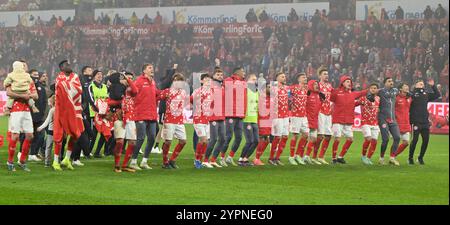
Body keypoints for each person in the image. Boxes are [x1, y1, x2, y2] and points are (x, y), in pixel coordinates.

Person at [5, 61, 38, 172]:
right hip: (15, 109)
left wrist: (26, 96)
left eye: (25, 66)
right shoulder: (12, 78)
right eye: (23, 65)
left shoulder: (28, 80)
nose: (25, 67)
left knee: (29, 135)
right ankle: (10, 162)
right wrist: (24, 96)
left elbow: (35, 95)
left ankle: (22, 161)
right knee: (15, 136)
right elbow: (8, 93)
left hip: (26, 110)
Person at [52, 60, 84, 171]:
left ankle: (67, 158)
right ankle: (55, 161)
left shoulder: (75, 76)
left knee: (76, 134)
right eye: (66, 65)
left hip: (75, 109)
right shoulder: (59, 78)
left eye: (69, 64)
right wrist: (69, 87)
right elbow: (62, 91)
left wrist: (68, 87)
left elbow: (79, 89)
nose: (69, 66)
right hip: (62, 109)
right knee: (60, 136)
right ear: (61, 68)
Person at [330, 75, 368, 164]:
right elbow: (331, 98)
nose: (349, 83)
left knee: (350, 139)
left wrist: (372, 90)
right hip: (338, 119)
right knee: (337, 139)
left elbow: (362, 93)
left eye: (350, 82)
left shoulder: (352, 94)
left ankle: (340, 157)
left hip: (348, 120)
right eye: (347, 81)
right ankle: (333, 158)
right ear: (342, 83)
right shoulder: (337, 92)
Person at [130, 64, 160, 170]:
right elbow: (132, 91)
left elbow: (156, 94)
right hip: (141, 114)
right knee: (141, 137)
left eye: (152, 68)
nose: (152, 69)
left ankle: (144, 161)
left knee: (152, 137)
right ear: (144, 70)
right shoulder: (139, 81)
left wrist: (164, 94)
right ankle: (133, 161)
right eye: (150, 68)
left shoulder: (153, 82)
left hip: (151, 115)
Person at [159, 73, 189, 169]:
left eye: (179, 81)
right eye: (175, 81)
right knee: (168, 141)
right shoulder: (168, 91)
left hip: (179, 120)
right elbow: (157, 97)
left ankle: (172, 160)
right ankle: (165, 162)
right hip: (169, 120)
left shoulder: (184, 92)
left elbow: (189, 100)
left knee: (183, 141)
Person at [409, 79, 440, 165]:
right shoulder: (412, 94)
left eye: (422, 84)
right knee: (414, 140)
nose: (422, 85)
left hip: (425, 122)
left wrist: (433, 86)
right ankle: (410, 158)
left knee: (426, 140)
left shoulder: (426, 94)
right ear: (416, 85)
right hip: (416, 121)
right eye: (420, 83)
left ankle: (420, 158)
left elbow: (437, 95)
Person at [112, 72, 138, 172]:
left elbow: (135, 91)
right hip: (119, 117)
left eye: (131, 78)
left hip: (131, 118)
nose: (128, 80)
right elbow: (111, 99)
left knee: (132, 142)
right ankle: (117, 165)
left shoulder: (132, 90)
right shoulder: (117, 88)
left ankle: (125, 165)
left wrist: (128, 80)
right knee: (120, 142)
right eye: (127, 78)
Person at [221, 67, 247, 166]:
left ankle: (230, 157)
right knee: (228, 136)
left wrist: (244, 112)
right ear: (237, 72)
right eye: (243, 71)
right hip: (230, 114)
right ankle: (222, 157)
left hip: (240, 114)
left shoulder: (244, 83)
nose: (244, 73)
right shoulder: (228, 81)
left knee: (239, 138)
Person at [204, 67, 226, 168]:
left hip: (221, 116)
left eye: (221, 75)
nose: (220, 76)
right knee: (213, 139)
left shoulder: (222, 87)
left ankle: (213, 160)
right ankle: (205, 160)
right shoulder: (210, 86)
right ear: (213, 76)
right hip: (213, 116)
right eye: (218, 75)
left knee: (222, 139)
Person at [191, 73, 213, 169]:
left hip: (207, 119)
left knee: (206, 142)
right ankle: (197, 160)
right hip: (198, 119)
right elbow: (191, 100)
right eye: (206, 79)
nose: (209, 81)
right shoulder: (197, 91)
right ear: (201, 81)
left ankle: (200, 160)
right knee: (203, 139)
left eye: (209, 80)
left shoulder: (212, 92)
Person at [377, 77, 401, 166]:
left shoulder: (395, 90)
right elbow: (371, 93)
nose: (391, 82)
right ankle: (381, 158)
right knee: (386, 139)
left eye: (392, 81)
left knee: (397, 137)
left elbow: (404, 93)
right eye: (389, 81)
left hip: (392, 119)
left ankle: (392, 158)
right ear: (385, 83)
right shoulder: (380, 91)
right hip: (383, 118)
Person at [288, 73, 309, 165]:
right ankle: (291, 156)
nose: (305, 78)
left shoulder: (307, 88)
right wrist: (290, 102)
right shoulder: (293, 88)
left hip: (304, 115)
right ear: (298, 79)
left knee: (305, 135)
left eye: (305, 77)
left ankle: (298, 155)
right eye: (303, 77)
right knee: (295, 135)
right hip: (295, 115)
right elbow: (288, 95)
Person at [268, 72, 289, 166]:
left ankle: (277, 157)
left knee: (285, 136)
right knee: (278, 137)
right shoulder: (273, 88)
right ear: (277, 78)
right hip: (277, 116)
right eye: (282, 76)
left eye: (285, 76)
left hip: (286, 115)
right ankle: (271, 158)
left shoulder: (286, 88)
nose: (284, 78)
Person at [356, 83, 380, 165]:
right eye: (372, 88)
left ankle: (369, 158)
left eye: (375, 88)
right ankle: (363, 156)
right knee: (368, 139)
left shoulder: (378, 99)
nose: (374, 89)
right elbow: (354, 104)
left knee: (375, 141)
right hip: (365, 122)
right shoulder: (363, 98)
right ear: (369, 89)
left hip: (375, 123)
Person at [303, 80, 324, 166]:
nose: (316, 86)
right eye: (314, 84)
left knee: (314, 139)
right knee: (305, 138)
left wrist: (322, 100)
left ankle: (306, 156)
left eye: (317, 84)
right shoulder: (307, 94)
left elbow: (318, 107)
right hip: (307, 119)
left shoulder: (318, 95)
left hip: (315, 119)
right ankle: (299, 156)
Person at [88, 70, 109, 158]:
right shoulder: (91, 86)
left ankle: (97, 152)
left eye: (101, 74)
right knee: (93, 134)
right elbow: (91, 99)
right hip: (94, 114)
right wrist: (98, 110)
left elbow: (108, 99)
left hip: (104, 114)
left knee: (105, 133)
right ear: (94, 76)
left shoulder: (105, 87)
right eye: (98, 74)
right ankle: (88, 152)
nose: (100, 76)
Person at [240, 73, 259, 166]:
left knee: (256, 141)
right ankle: (241, 159)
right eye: (253, 79)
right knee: (249, 141)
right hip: (246, 119)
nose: (255, 81)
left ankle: (245, 158)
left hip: (254, 119)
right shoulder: (245, 90)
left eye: (256, 79)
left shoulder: (257, 91)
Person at [316, 66, 333, 164]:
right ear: (320, 76)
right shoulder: (317, 85)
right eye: (324, 74)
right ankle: (313, 156)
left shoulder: (330, 86)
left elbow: (333, 98)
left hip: (328, 113)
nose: (327, 76)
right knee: (320, 136)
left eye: (327, 74)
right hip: (320, 112)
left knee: (328, 136)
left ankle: (321, 156)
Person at [392, 83, 412, 161]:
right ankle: (392, 157)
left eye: (407, 86)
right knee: (396, 141)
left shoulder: (410, 98)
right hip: (397, 123)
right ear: (400, 89)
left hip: (406, 123)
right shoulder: (396, 98)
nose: (407, 87)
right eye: (405, 86)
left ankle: (393, 156)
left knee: (406, 143)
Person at [253, 83, 272, 166]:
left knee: (267, 141)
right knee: (263, 139)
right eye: (269, 87)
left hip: (268, 122)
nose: (271, 89)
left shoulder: (271, 98)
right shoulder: (260, 98)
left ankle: (257, 158)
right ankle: (256, 159)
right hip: (261, 121)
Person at [37, 94, 55, 167]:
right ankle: (58, 161)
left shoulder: (52, 110)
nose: (48, 103)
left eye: (50, 102)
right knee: (58, 147)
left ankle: (47, 162)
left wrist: (40, 127)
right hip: (59, 131)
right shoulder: (61, 109)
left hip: (51, 131)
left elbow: (47, 121)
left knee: (48, 147)